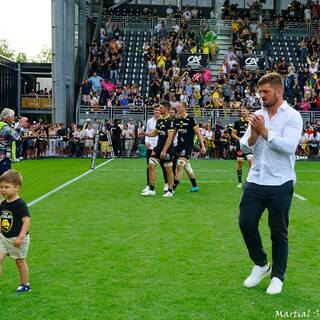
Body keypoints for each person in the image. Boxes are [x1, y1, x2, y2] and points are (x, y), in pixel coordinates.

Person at [239, 72, 303, 295]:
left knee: (278, 232)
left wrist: (265, 132)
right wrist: (253, 137)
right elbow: (244, 146)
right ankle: (261, 264)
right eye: (260, 92)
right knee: (245, 223)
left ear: (278, 91)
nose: (262, 96)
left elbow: (288, 147)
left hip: (281, 181)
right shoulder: (257, 115)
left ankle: (277, 276)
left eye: (265, 92)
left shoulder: (293, 116)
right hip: (256, 178)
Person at [0, 170, 31, 293]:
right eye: (1, 187)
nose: (3, 190)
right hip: (4, 237)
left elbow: (26, 221)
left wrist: (20, 237)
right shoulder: (4, 203)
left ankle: (25, 285)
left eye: (6, 187)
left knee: (19, 262)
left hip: (17, 239)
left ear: (17, 188)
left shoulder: (20, 204)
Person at [140, 101, 175, 198]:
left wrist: (164, 150)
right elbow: (154, 133)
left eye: (161, 108)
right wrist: (145, 134)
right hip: (158, 148)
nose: (159, 109)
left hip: (167, 149)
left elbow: (170, 137)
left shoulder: (170, 121)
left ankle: (170, 190)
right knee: (150, 166)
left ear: (166, 109)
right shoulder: (159, 121)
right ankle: (151, 189)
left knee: (168, 170)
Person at [173, 101, 206, 193]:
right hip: (179, 146)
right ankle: (195, 186)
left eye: (179, 107)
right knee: (186, 166)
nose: (177, 109)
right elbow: (173, 134)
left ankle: (173, 188)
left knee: (180, 165)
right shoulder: (177, 120)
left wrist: (202, 146)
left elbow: (198, 133)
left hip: (188, 146)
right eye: (177, 107)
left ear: (184, 108)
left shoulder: (191, 119)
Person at [0, 109, 28, 175]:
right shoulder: (4, 127)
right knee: (5, 179)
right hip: (2, 157)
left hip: (3, 156)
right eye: (12, 116)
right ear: (7, 117)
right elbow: (17, 137)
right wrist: (20, 124)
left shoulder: (3, 125)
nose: (13, 118)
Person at [231, 106, 253, 188]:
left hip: (250, 145)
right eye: (242, 111)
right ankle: (239, 181)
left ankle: (249, 181)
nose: (243, 112)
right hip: (240, 146)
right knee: (240, 162)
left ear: (248, 112)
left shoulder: (251, 122)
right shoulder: (237, 122)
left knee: (251, 163)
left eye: (244, 111)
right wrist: (240, 139)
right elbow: (233, 134)